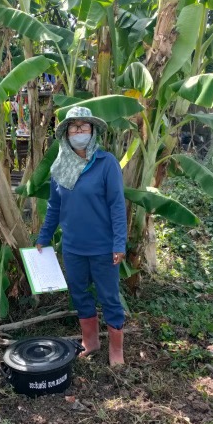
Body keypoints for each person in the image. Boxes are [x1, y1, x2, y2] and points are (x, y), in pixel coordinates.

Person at [36, 106, 127, 367]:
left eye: (83, 126)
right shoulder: (60, 167)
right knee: (79, 293)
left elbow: (117, 205)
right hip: (73, 247)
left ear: (92, 131)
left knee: (109, 297)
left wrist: (119, 243)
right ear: (66, 133)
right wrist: (44, 237)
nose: (79, 131)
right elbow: (54, 207)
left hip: (103, 247)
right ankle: (90, 342)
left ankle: (116, 351)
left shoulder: (106, 163)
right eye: (73, 127)